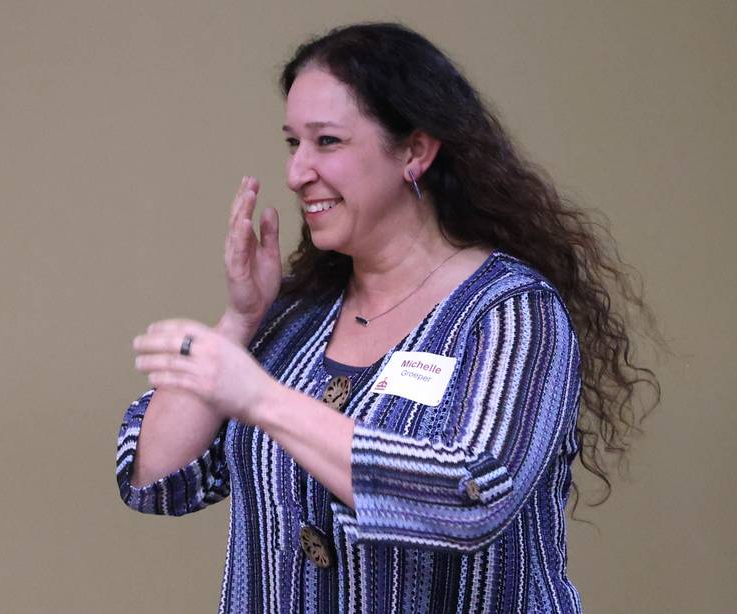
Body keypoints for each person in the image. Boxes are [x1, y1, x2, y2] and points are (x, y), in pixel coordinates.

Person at [116, 23, 660, 613]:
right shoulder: (296, 316)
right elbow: (156, 480)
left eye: (326, 142)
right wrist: (240, 321)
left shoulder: (511, 310)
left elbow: (469, 497)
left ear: (415, 152)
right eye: (292, 143)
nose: (298, 172)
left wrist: (261, 399)